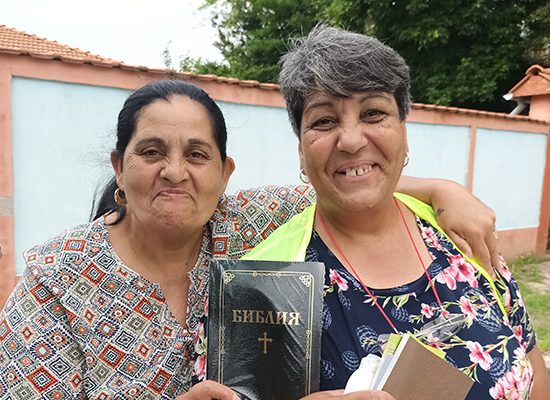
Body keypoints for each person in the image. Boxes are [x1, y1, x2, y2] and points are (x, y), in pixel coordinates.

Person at [0, 79, 500, 399]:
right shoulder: (56, 278)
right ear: (119, 167)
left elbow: (340, 176)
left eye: (197, 155)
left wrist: (442, 189)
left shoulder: (250, 223)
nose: (174, 172)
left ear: (224, 173)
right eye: (151, 151)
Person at [240, 25, 550, 399]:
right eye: (324, 121)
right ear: (301, 151)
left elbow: (533, 371)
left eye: (373, 113)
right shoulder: (264, 285)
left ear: (404, 133)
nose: (352, 140)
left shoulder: (460, 233)